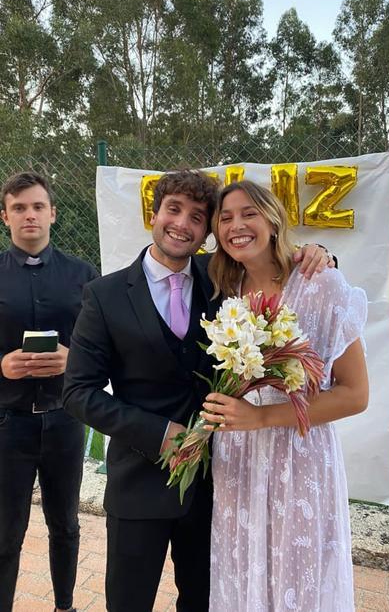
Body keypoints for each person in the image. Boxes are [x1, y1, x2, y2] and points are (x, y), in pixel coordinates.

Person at [63, 171, 331, 610]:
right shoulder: (104, 295)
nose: (183, 224)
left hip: (218, 486)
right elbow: (78, 392)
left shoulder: (221, 279)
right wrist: (159, 434)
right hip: (140, 485)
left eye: (197, 217)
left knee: (206, 602)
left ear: (208, 232)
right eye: (174, 210)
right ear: (155, 213)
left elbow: (277, 262)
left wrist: (319, 254)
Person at [199, 181, 368, 610]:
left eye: (248, 213)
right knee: (244, 574)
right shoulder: (224, 290)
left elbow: (355, 394)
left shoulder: (321, 284)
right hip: (238, 458)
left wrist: (261, 418)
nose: (237, 225)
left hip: (298, 453)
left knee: (299, 573)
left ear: (273, 220)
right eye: (225, 217)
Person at [0, 172, 98, 612]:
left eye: (38, 206)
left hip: (65, 419)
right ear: (5, 217)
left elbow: (104, 345)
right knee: (5, 532)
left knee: (66, 526)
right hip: (8, 425)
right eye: (19, 208)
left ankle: (64, 606)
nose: (29, 215)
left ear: (53, 213)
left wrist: (72, 357)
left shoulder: (83, 275)